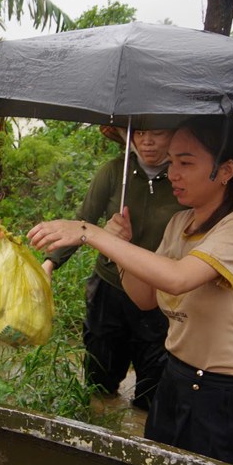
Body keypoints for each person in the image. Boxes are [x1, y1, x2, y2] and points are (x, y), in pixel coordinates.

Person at [29, 115, 233, 465]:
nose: (173, 173)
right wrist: (116, 244)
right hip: (175, 382)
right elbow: (145, 296)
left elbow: (177, 278)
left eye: (186, 163)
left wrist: (90, 232)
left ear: (226, 170)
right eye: (172, 161)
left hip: (227, 395)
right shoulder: (181, 223)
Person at [43, 127, 180, 410]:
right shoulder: (115, 172)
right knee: (99, 381)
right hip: (109, 289)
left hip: (160, 294)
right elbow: (84, 220)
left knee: (154, 390)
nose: (147, 141)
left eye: (157, 132)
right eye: (139, 133)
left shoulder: (182, 179)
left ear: (175, 134)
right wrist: (49, 263)